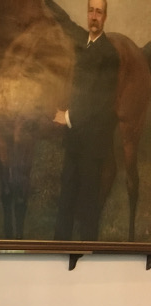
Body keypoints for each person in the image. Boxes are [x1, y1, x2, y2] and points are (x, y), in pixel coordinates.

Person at [53, 0, 119, 240]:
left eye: (99, 12)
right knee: (66, 202)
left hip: (93, 147)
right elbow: (65, 22)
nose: (94, 16)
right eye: (91, 11)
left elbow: (98, 102)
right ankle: (58, 253)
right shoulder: (82, 40)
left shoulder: (110, 55)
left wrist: (67, 116)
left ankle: (88, 262)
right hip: (74, 142)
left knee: (87, 208)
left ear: (105, 18)